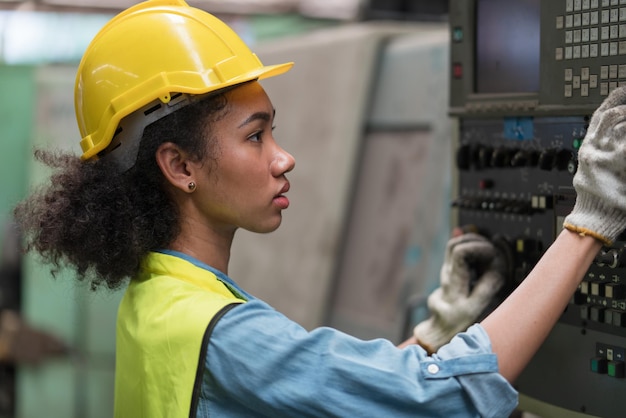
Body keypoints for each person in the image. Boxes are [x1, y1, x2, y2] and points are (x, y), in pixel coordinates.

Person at [12, 0, 626, 416]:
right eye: (256, 136)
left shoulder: (159, 301)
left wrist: (434, 337)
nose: (284, 159)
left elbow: (342, 394)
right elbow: (443, 404)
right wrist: (589, 220)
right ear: (181, 167)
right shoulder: (223, 334)